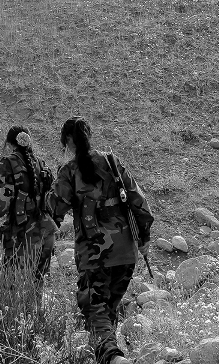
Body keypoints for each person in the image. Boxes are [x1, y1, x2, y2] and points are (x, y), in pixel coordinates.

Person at [46, 116, 154, 364]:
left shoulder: (69, 171)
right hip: (126, 252)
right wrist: (144, 238)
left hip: (94, 256)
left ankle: (114, 358)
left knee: (95, 312)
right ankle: (110, 354)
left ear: (69, 140)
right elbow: (141, 205)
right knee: (109, 310)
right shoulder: (112, 162)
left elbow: (53, 209)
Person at [0, 126, 57, 288]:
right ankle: (37, 313)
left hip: (23, 237)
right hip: (46, 234)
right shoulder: (40, 163)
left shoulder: (7, 164)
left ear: (10, 144)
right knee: (36, 287)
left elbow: (2, 204)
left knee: (9, 290)